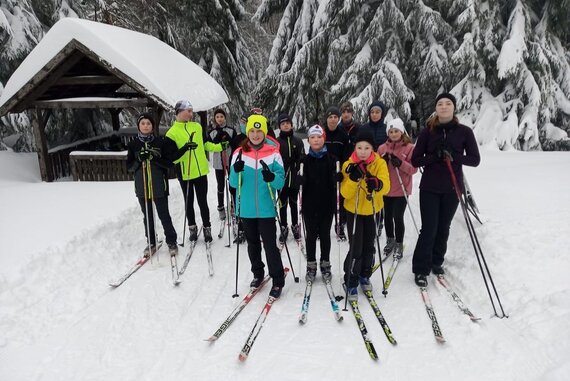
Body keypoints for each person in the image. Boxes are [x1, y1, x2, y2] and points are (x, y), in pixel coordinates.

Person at [411, 93, 480, 287]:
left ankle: (436, 261)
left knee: (443, 227)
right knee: (429, 228)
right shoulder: (427, 132)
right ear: (436, 108)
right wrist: (434, 156)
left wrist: (455, 156)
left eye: (448, 103)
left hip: (452, 187)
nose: (444, 107)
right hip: (430, 188)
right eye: (440, 103)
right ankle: (421, 268)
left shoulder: (464, 132)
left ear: (454, 107)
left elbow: (475, 160)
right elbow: (415, 160)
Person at [229, 114, 286, 298]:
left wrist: (272, 178)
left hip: (266, 208)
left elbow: (281, 182)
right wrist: (235, 172)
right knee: (253, 245)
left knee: (270, 245)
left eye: (259, 131)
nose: (255, 135)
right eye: (252, 131)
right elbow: (233, 183)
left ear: (264, 132)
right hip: (246, 209)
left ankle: (277, 279)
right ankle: (258, 273)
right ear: (248, 132)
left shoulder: (274, 153)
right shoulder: (238, 153)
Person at [166, 100, 227, 244]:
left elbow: (205, 144)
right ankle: (192, 228)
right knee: (189, 202)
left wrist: (219, 147)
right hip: (185, 173)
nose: (191, 113)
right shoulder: (171, 133)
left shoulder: (197, 127)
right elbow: (172, 158)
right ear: (179, 112)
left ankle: (207, 228)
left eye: (192, 110)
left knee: (202, 201)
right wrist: (185, 148)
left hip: (200, 172)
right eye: (188, 111)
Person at [340, 131, 390, 300]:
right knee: (356, 246)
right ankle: (350, 279)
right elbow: (344, 193)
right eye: (359, 147)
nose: (362, 151)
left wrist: (377, 183)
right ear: (354, 148)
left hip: (372, 210)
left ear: (372, 149)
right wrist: (353, 179)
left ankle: (364, 274)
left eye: (366, 148)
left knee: (369, 245)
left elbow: (386, 187)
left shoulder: (379, 163)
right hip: (353, 211)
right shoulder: (348, 164)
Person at [126, 113, 178, 257]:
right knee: (147, 216)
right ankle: (151, 242)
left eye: (148, 123)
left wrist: (154, 158)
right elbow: (129, 167)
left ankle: (171, 241)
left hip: (159, 185)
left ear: (153, 126)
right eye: (143, 123)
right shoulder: (133, 144)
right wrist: (139, 160)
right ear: (138, 126)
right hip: (142, 186)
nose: (145, 126)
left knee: (163, 214)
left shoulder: (160, 142)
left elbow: (168, 164)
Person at [299, 124, 338, 280]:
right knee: (310, 236)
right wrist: (299, 180)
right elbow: (300, 182)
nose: (316, 140)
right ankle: (311, 264)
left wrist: (336, 178)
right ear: (308, 140)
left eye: (319, 137)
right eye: (313, 137)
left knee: (325, 235)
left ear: (324, 139)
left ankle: (325, 263)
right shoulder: (304, 160)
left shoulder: (332, 159)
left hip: (326, 204)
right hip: (309, 204)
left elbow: (333, 180)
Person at [377, 118, 417, 259]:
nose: (393, 134)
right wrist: (382, 162)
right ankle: (390, 239)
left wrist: (400, 163)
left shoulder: (410, 148)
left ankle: (399, 243)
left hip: (402, 189)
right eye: (391, 131)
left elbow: (413, 170)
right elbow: (376, 167)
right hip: (386, 189)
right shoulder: (382, 148)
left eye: (396, 131)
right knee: (387, 216)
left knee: (397, 217)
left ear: (402, 131)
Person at [276, 113, 305, 243]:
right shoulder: (277, 142)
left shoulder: (298, 141)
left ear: (291, 125)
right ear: (280, 126)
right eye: (283, 124)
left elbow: (303, 158)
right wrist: (283, 161)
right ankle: (283, 226)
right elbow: (273, 159)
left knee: (294, 204)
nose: (286, 125)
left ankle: (295, 225)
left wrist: (297, 162)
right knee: (282, 204)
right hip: (282, 179)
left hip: (294, 179)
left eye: (287, 123)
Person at [324, 105, 350, 240]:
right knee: (325, 200)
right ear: (326, 118)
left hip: (339, 170)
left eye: (335, 117)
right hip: (324, 170)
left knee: (339, 200)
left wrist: (343, 171)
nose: (333, 120)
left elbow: (347, 154)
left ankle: (339, 226)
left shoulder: (342, 133)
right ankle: (322, 227)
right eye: (330, 117)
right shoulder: (322, 133)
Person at [207, 108, 236, 221]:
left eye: (221, 117)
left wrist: (229, 139)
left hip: (230, 161)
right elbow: (209, 145)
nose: (219, 119)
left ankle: (233, 205)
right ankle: (220, 207)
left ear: (225, 118)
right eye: (217, 117)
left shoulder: (231, 130)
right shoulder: (212, 132)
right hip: (219, 162)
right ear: (215, 118)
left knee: (232, 183)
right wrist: (217, 140)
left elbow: (235, 144)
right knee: (220, 185)